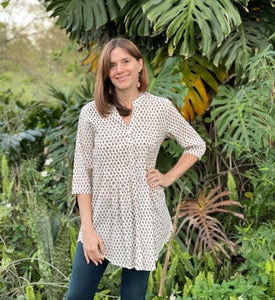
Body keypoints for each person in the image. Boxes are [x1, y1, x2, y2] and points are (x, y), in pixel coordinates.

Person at [66, 37, 206, 300]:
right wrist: (88, 228)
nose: (120, 70)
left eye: (126, 62)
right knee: (77, 296)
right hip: (101, 218)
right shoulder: (92, 112)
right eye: (112, 65)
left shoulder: (160, 108)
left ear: (140, 65)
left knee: (133, 297)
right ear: (106, 73)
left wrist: (168, 177)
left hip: (143, 214)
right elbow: (82, 175)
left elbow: (196, 145)